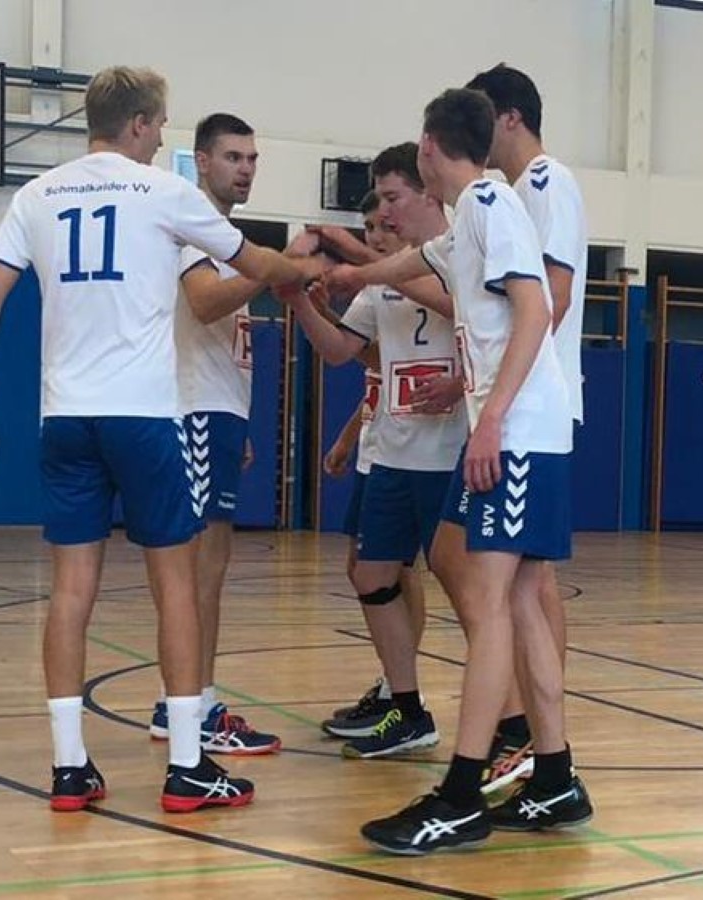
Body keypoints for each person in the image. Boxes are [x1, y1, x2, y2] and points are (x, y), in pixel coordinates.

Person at [0, 66, 313, 814]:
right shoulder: (163, 192)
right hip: (146, 418)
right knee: (174, 584)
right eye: (159, 125)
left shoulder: (36, 195)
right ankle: (187, 766)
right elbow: (251, 264)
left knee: (71, 591)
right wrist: (300, 268)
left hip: (65, 417)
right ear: (144, 124)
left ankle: (69, 768)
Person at [324, 87, 590, 853]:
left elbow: (537, 308)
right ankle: (555, 777)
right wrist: (354, 273)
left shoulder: (492, 205)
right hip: (525, 434)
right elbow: (419, 259)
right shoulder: (475, 213)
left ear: (431, 148)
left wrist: (493, 419)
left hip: (519, 435)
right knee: (523, 602)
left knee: (494, 601)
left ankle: (462, 793)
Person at [285, 143, 467, 759]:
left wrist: (463, 381)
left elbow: (476, 317)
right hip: (393, 451)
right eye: (380, 204)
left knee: (468, 590)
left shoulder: (457, 252)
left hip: (453, 453)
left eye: (392, 200)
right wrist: (299, 303)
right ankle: (405, 704)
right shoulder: (380, 281)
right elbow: (341, 351)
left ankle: (509, 723)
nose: (385, 216)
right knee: (370, 572)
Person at [462, 63, 590, 794]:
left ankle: (542, 749)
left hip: (534, 408)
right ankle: (544, 750)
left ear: (507, 117)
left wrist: (509, 392)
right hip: (517, 401)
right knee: (526, 587)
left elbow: (553, 297)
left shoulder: (545, 184)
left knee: (528, 589)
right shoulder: (505, 196)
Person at [147, 112, 280, 754]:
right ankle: (189, 710)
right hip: (196, 409)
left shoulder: (222, 232)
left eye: (252, 158)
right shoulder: (195, 223)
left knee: (211, 567)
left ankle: (185, 701)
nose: (245, 168)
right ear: (201, 160)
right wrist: (273, 270)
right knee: (202, 568)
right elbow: (203, 301)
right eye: (233, 157)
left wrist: (239, 420)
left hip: (218, 410)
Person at [320, 192, 426, 740]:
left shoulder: (435, 268)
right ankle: (398, 689)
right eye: (367, 224)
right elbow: (366, 366)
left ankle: (404, 693)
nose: (377, 230)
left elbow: (380, 363)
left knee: (409, 573)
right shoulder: (375, 289)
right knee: (368, 569)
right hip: (383, 444)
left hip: (432, 446)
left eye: (384, 219)